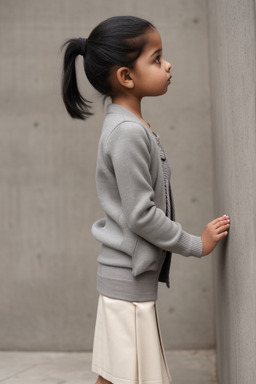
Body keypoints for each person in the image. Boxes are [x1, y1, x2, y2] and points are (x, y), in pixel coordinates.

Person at [61, 15, 230, 384]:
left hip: (128, 276)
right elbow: (141, 215)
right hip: (127, 279)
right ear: (126, 76)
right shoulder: (127, 133)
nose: (167, 65)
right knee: (129, 377)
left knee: (119, 376)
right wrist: (195, 243)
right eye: (156, 58)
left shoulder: (130, 126)